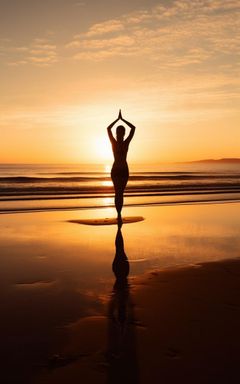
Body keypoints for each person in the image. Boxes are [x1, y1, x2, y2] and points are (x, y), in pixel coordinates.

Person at [107, 110, 135, 220]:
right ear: (116, 133)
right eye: (117, 132)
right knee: (117, 192)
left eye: (121, 132)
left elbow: (133, 129)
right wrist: (117, 120)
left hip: (124, 171)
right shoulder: (113, 143)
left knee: (121, 193)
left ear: (123, 134)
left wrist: (123, 120)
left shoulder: (126, 143)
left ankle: (119, 214)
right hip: (116, 171)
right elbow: (108, 129)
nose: (119, 134)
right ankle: (118, 214)